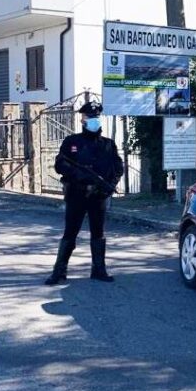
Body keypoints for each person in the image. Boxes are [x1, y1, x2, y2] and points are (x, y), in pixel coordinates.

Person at [45, 101, 123, 285]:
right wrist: (78, 175)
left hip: (99, 197)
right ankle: (59, 271)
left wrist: (108, 186)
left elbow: (118, 168)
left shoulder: (108, 145)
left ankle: (99, 270)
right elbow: (60, 165)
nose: (93, 120)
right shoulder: (72, 142)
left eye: (96, 117)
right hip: (76, 195)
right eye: (89, 117)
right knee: (70, 233)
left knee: (98, 233)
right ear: (82, 119)